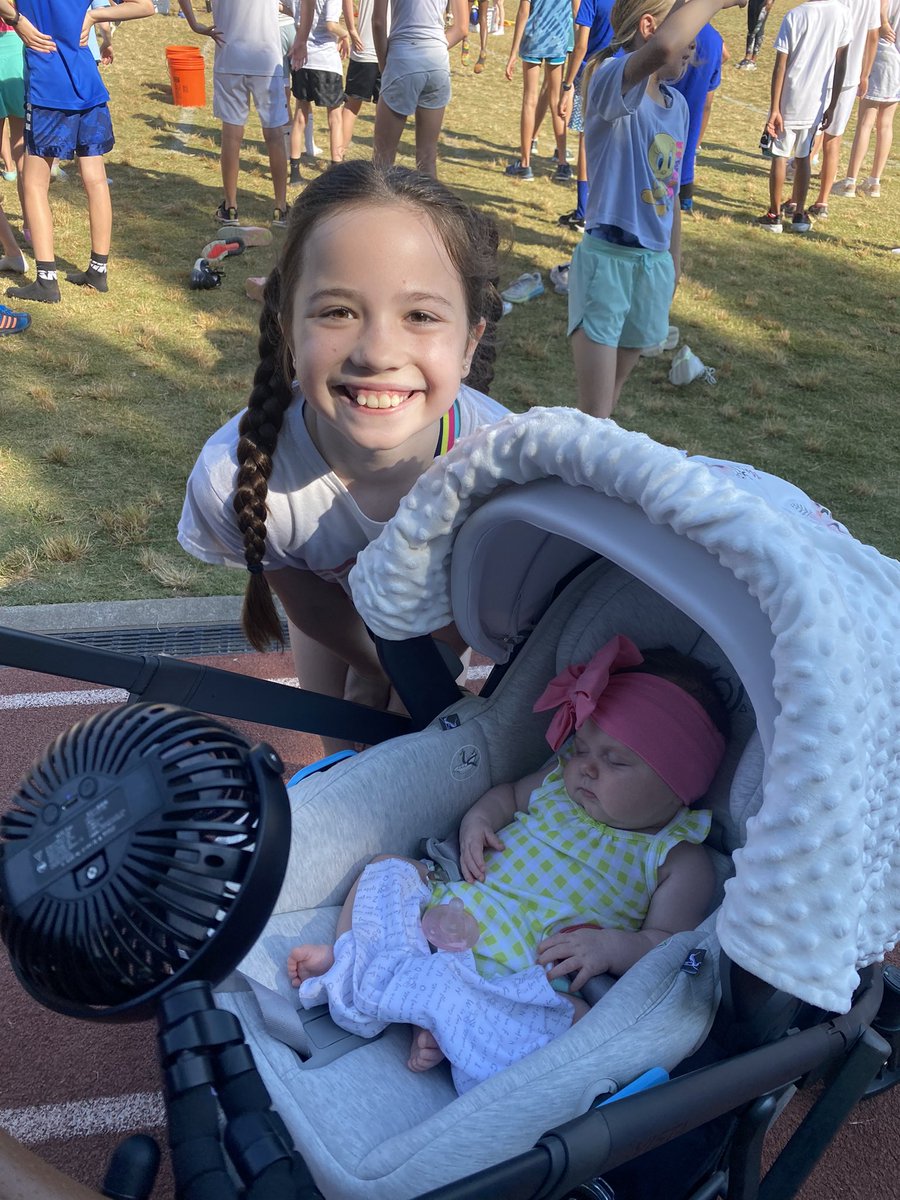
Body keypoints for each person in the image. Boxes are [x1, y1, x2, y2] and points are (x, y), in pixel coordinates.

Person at [287, 635, 727, 1084]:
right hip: (454, 911)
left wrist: (612, 947)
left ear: (677, 783)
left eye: (615, 762)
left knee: (574, 1023)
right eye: (580, 749)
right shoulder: (557, 786)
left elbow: (667, 947)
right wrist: (478, 821)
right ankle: (357, 961)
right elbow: (506, 797)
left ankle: (440, 1008)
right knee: (388, 869)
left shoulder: (678, 858)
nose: (586, 768)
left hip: (525, 971)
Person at [178, 162, 506, 751]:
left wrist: (421, 676)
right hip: (332, 613)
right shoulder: (238, 477)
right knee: (342, 752)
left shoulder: (505, 465)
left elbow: (474, 602)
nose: (379, 351)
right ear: (286, 330)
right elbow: (311, 606)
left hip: (442, 617)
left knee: (421, 751)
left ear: (469, 343)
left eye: (421, 316)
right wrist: (375, 670)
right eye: (337, 311)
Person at [568, 0, 745, 420]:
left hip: (652, 264)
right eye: (686, 31)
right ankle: (576, 474)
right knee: (593, 412)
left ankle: (587, 471)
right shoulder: (610, 77)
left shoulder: (678, 107)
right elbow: (665, 49)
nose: (693, 44)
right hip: (607, 261)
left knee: (609, 402)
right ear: (649, 26)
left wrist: (674, 260)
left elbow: (669, 193)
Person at [1, 0, 154, 304]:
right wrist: (95, 15)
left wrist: (19, 21)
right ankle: (98, 270)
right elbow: (147, 6)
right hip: (87, 83)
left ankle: (46, 280)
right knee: (95, 178)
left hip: (48, 86)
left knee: (33, 182)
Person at [179, 0, 291, 228]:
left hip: (231, 55)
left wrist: (194, 24)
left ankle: (231, 207)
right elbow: (293, 8)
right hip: (266, 57)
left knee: (232, 135)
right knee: (275, 135)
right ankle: (280, 207)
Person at [757, 0, 851, 234]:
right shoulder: (842, 14)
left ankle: (774, 214)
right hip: (816, 101)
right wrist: (832, 104)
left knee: (779, 156)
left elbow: (781, 65)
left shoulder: (795, 15)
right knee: (804, 157)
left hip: (790, 98)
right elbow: (841, 65)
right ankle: (799, 213)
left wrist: (775, 108)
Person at [371, 0, 468, 176]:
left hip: (402, 58)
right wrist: (433, 45)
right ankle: (434, 204)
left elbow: (378, 22)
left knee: (382, 159)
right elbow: (462, 28)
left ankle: (380, 203)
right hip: (437, 61)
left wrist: (383, 65)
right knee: (427, 156)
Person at [806, 0, 881, 217]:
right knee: (833, 138)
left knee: (811, 136)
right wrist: (864, 74)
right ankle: (822, 202)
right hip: (849, 76)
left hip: (825, 71)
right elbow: (873, 35)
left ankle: (795, 200)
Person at [831, 0, 899, 200]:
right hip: (896, 60)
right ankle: (873, 182)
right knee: (886, 124)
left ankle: (850, 181)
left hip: (882, 54)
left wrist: (884, 22)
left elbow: (880, 13)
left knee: (866, 122)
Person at [557, 0, 614, 232]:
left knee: (586, 139)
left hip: (592, 71)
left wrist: (567, 84)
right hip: (621, 69)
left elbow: (581, 45)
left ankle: (583, 212)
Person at [504, 0, 575, 181]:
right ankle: (562, 163)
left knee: (530, 100)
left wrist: (513, 53)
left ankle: (525, 164)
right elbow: (576, 11)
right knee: (556, 101)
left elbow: (523, 12)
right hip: (557, 40)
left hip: (534, 38)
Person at [672, 21, 726, 213]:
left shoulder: (667, 27)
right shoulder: (714, 39)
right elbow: (707, 104)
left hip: (653, 153)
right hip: (684, 161)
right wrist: (695, 145)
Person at [340, 0, 387, 154]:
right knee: (385, 110)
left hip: (369, 50)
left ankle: (338, 159)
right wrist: (351, 30)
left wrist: (352, 29)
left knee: (352, 107)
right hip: (382, 50)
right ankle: (381, 164)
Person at [736, 0, 773, 71]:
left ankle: (753, 60)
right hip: (753, 2)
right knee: (751, 29)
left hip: (763, 3)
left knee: (758, 28)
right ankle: (747, 58)